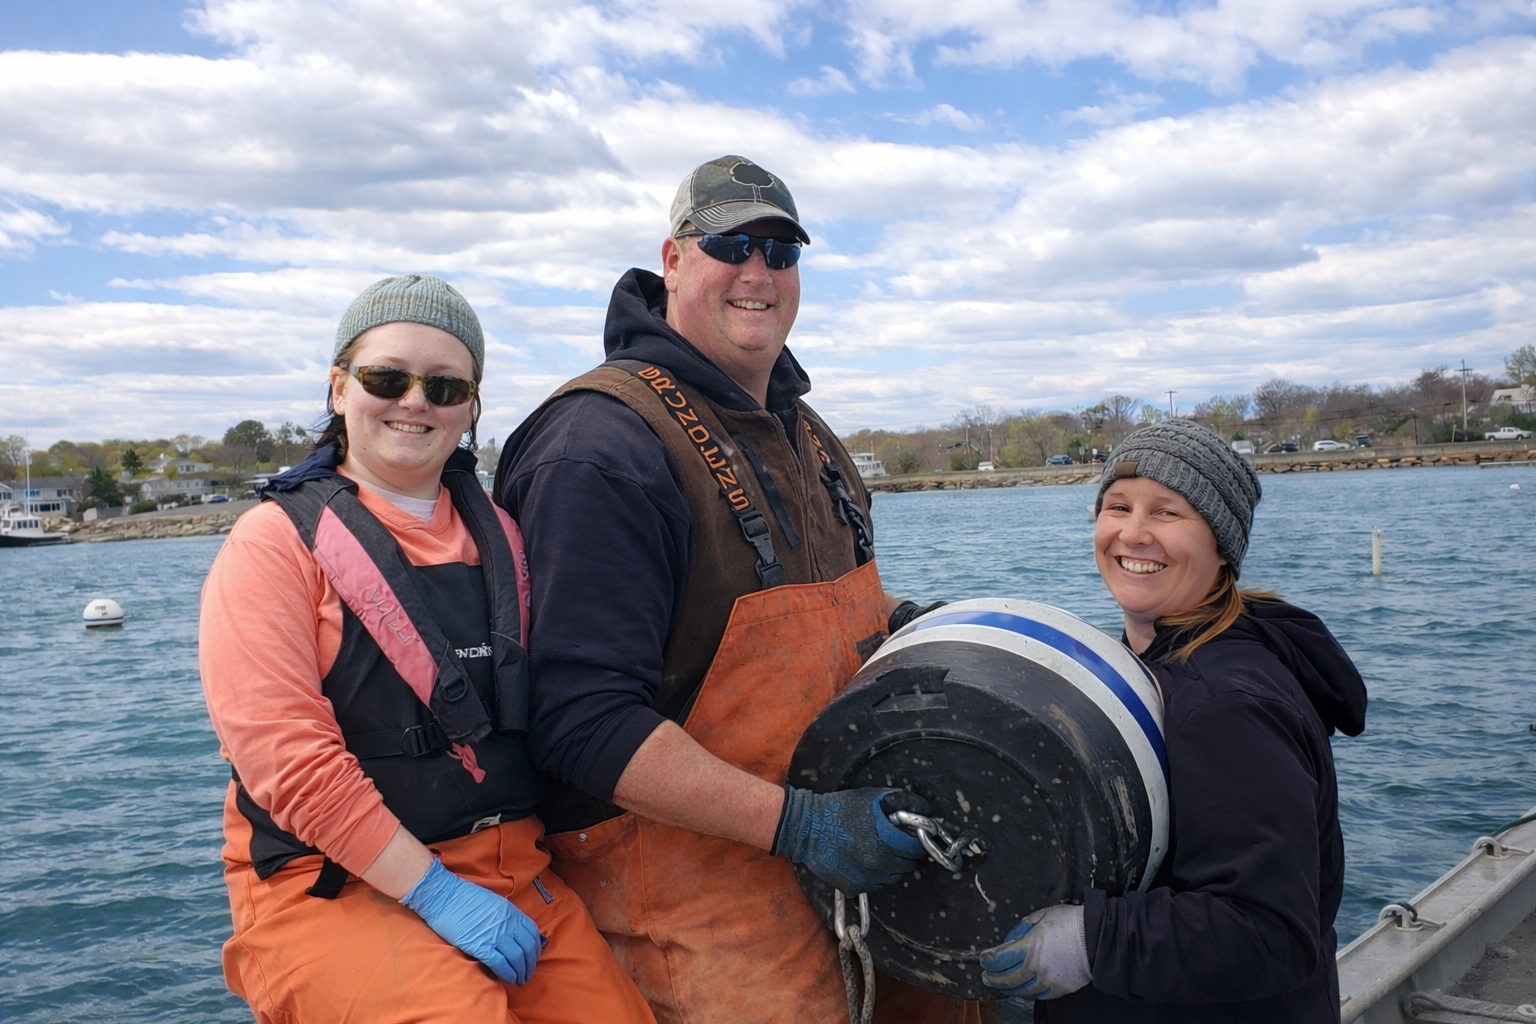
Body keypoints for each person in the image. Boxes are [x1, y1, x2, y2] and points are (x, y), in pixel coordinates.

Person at [494, 156, 972, 1023]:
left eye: (781, 251)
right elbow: (582, 722)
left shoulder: (808, 430)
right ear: (673, 261)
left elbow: (814, 615)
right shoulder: (600, 446)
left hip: (860, 872)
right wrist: (801, 830)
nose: (758, 271)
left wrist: (912, 627)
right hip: (692, 910)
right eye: (731, 243)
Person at [199, 275, 654, 1024]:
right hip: (333, 884)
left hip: (514, 869)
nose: (416, 402)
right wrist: (434, 892)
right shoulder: (272, 547)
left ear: (471, 410)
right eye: (388, 378)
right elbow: (285, 760)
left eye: (446, 387)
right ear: (340, 387)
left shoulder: (508, 535)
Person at [978, 419, 1368, 1022]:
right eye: (1118, 506)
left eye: (1167, 513)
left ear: (1221, 543)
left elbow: (1268, 930)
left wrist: (1091, 942)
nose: (1133, 534)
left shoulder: (1223, 705)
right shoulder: (1152, 663)